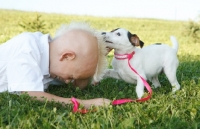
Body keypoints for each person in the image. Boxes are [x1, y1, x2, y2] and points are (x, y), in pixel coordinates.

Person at [0, 22, 111, 109]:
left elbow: (78, 84)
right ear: (66, 56)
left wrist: (95, 57)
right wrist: (83, 103)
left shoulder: (54, 62)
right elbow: (30, 94)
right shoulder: (28, 48)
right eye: (71, 77)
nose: (67, 81)